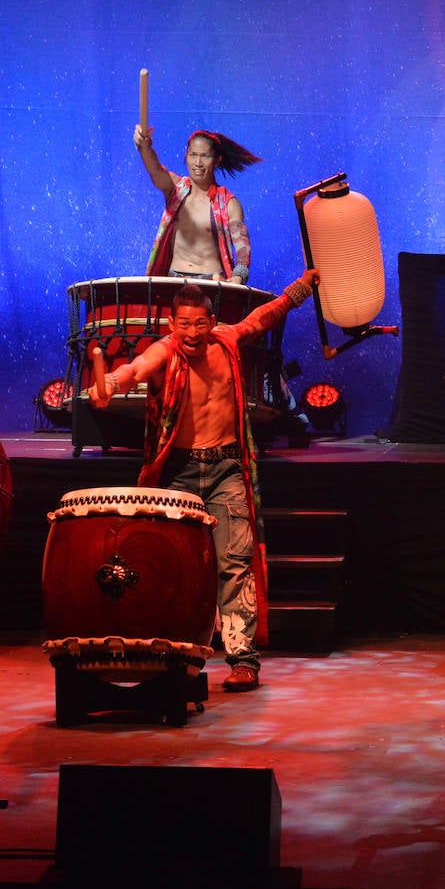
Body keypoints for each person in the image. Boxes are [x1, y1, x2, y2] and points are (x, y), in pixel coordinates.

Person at [87, 270, 319, 691]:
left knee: (235, 562)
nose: (192, 332)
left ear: (211, 323)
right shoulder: (164, 351)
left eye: (200, 323)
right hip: (179, 473)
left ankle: (243, 661)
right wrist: (109, 385)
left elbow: (263, 318)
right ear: (171, 324)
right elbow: (136, 369)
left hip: (227, 469)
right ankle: (178, 655)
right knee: (176, 568)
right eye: (184, 324)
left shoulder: (225, 342)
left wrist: (300, 289)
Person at [135, 124, 261, 283]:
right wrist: (144, 146)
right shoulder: (175, 190)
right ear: (186, 156)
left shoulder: (229, 203)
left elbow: (242, 245)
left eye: (205, 156)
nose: (198, 163)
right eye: (193, 155)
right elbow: (155, 170)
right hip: (173, 282)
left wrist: (239, 275)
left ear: (217, 161)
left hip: (211, 285)